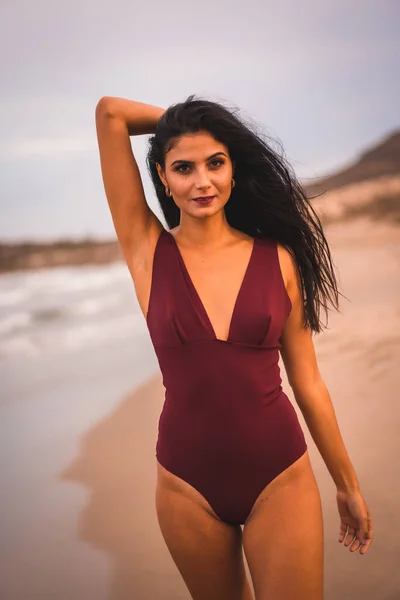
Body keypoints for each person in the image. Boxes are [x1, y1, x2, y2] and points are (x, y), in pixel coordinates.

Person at [95, 94, 373, 600]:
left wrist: (346, 482)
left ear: (232, 168)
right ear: (162, 176)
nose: (202, 181)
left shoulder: (279, 260)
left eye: (216, 162)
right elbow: (110, 113)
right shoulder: (147, 250)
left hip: (280, 477)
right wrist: (186, 124)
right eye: (184, 167)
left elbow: (308, 382)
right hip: (185, 487)